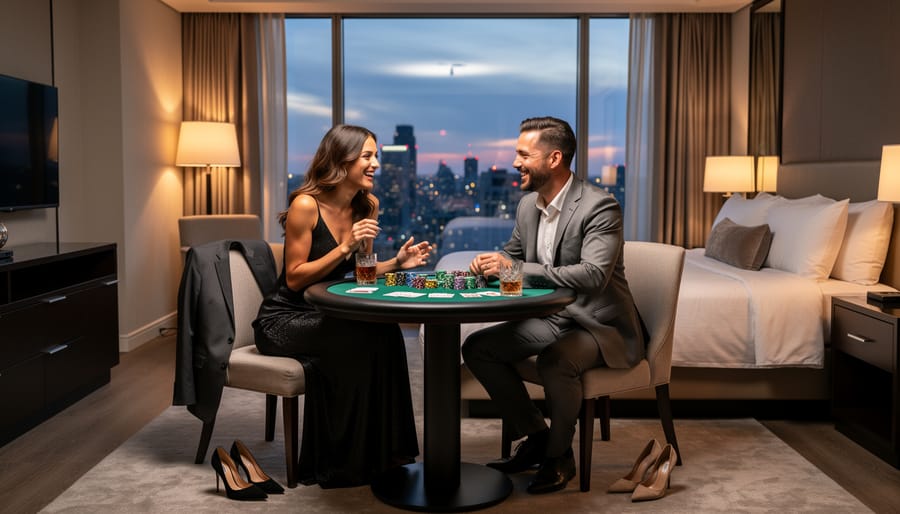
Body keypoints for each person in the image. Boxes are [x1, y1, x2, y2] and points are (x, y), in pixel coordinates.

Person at [462, 116, 645, 494]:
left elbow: (594, 275)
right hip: (551, 316)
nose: (515, 162)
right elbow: (513, 256)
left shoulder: (600, 206)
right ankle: (537, 437)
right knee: (478, 348)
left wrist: (515, 267)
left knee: (556, 361)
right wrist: (489, 263)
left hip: (597, 324)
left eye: (523, 154)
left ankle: (560, 455)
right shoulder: (529, 206)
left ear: (554, 158)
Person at [253, 124, 433, 488]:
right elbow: (295, 279)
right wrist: (346, 246)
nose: (376, 163)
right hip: (285, 319)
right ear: (341, 159)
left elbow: (360, 275)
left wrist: (398, 263)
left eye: (375, 155)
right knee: (355, 335)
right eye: (367, 156)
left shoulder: (366, 205)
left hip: (330, 312)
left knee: (384, 329)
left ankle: (385, 454)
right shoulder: (306, 205)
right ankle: (341, 462)